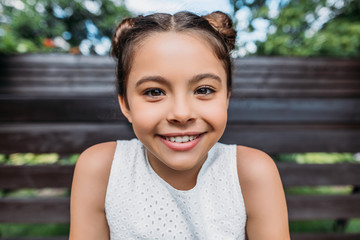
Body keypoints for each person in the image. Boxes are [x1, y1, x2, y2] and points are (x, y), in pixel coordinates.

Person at [69, 10, 290, 240]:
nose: (181, 114)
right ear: (125, 104)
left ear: (226, 97)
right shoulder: (102, 169)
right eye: (154, 92)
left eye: (204, 90)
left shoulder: (251, 173)